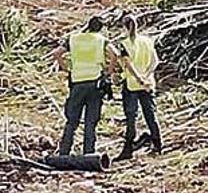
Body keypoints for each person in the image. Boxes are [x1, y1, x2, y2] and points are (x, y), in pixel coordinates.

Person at [52, 16, 118, 156]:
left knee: (72, 120)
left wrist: (66, 68)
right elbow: (115, 54)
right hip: (95, 83)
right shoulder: (101, 40)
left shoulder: (74, 39)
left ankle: (64, 151)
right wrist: (108, 71)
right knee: (91, 120)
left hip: (77, 82)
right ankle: (89, 152)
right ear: (101, 28)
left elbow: (57, 53)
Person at [115, 15, 161, 161]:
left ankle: (128, 148)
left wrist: (138, 78)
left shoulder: (124, 44)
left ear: (124, 27)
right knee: (150, 114)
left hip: (132, 84)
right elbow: (155, 61)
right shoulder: (147, 41)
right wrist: (146, 75)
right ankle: (157, 143)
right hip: (148, 83)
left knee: (131, 117)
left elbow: (128, 64)